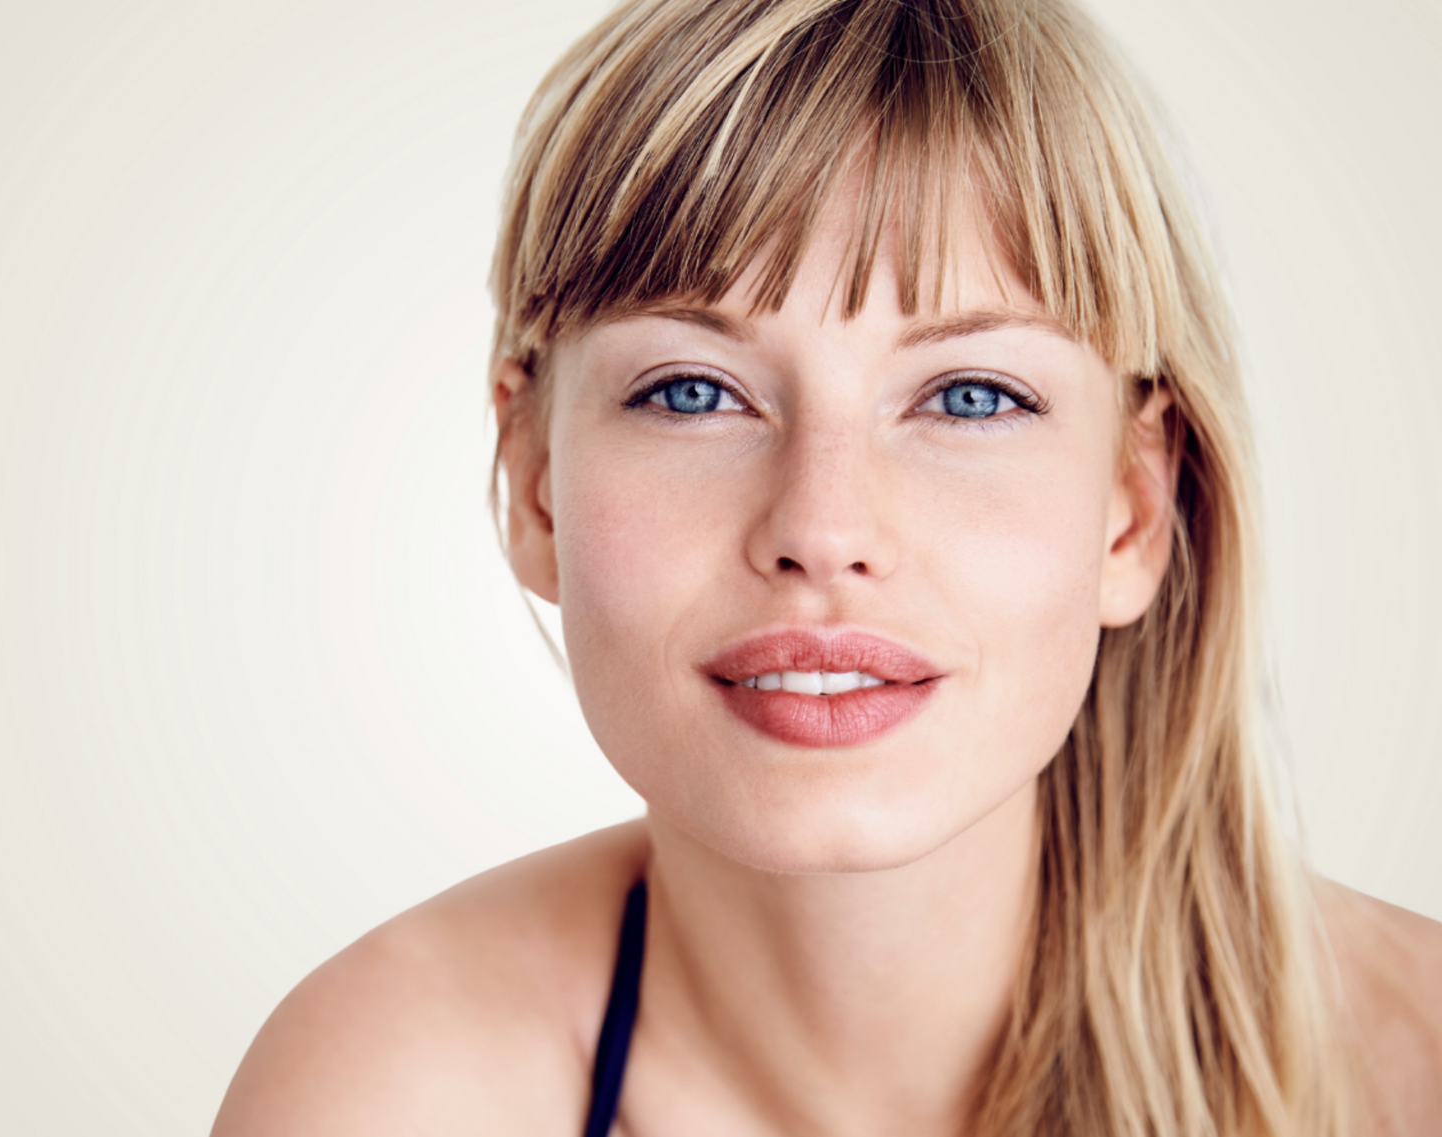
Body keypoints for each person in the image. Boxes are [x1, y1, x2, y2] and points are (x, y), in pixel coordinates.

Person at [211, 0, 1442, 1132]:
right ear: (535, 479)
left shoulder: (1414, 1069)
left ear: (1133, 508)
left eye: (969, 396)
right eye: (693, 391)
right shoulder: (384, 1092)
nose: (824, 525)